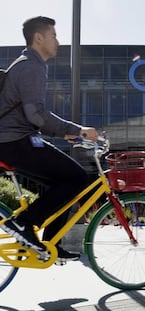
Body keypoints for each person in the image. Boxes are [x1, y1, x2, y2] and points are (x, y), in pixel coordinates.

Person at [0, 16, 98, 262]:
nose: (58, 41)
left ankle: (49, 243)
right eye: (54, 35)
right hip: (13, 142)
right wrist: (78, 130)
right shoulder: (31, 66)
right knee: (76, 177)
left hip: (15, 140)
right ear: (39, 38)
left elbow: (30, 114)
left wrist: (65, 132)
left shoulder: (28, 65)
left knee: (62, 179)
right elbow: (36, 114)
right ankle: (23, 224)